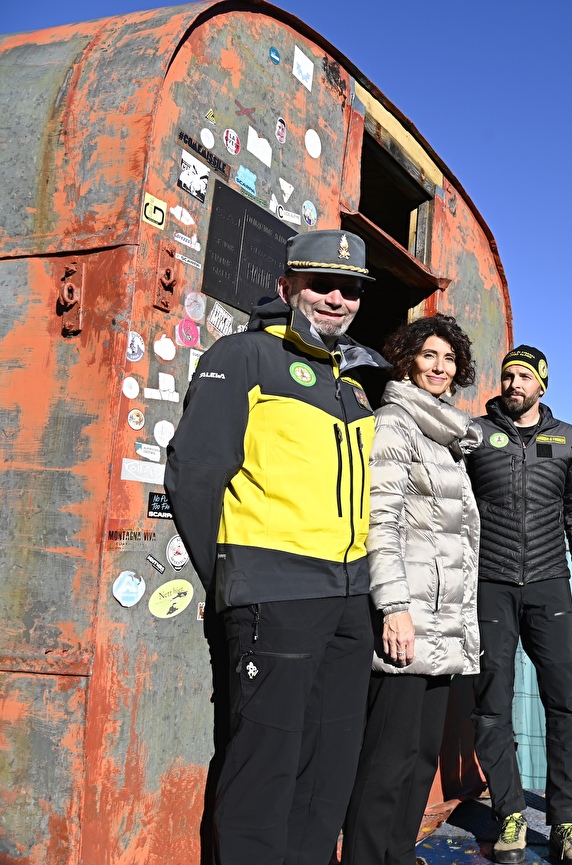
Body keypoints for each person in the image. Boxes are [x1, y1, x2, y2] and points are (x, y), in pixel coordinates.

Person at [165, 230, 387, 865]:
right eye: (322, 284)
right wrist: (235, 578)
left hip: (349, 598)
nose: (337, 299)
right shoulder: (243, 355)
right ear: (288, 285)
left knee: (328, 769)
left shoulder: (354, 382)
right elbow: (195, 472)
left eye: (350, 290)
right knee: (264, 768)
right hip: (274, 594)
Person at [341, 315, 483, 864]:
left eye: (449, 359)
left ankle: (398, 855)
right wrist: (394, 608)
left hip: (444, 622)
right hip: (410, 618)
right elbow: (381, 523)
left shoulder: (444, 433)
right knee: (386, 759)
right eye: (429, 356)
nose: (440, 368)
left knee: (421, 756)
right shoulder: (396, 424)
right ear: (406, 360)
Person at [466, 346, 572, 863]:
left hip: (550, 585)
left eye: (524, 376)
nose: (514, 383)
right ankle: (511, 814)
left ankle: (568, 823)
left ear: (543, 385)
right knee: (492, 703)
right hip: (490, 584)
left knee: (566, 705)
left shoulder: (567, 439)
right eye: (507, 375)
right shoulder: (475, 434)